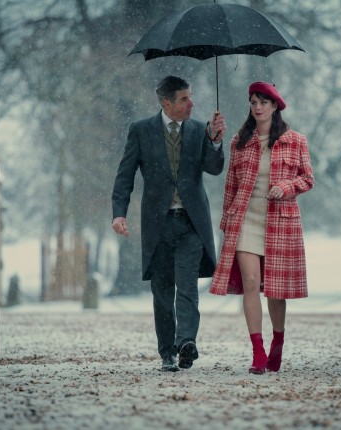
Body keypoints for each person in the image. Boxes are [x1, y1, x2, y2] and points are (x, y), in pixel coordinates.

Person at [111, 75, 226, 372]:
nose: (191, 104)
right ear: (166, 103)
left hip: (192, 224)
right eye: (184, 99)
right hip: (157, 224)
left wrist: (215, 141)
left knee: (187, 287)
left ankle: (186, 342)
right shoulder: (141, 130)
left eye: (191, 97)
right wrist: (119, 213)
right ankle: (167, 352)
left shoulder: (199, 129)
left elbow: (214, 168)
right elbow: (125, 175)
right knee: (162, 293)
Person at [209, 82, 314, 374]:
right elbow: (231, 184)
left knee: (275, 291)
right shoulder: (240, 141)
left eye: (263, 102)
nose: (257, 108)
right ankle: (257, 350)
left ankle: (277, 341)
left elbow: (308, 178)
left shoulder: (296, 140)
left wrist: (286, 186)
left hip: (280, 221)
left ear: (275, 106)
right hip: (245, 220)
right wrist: (227, 223)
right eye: (253, 102)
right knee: (251, 283)